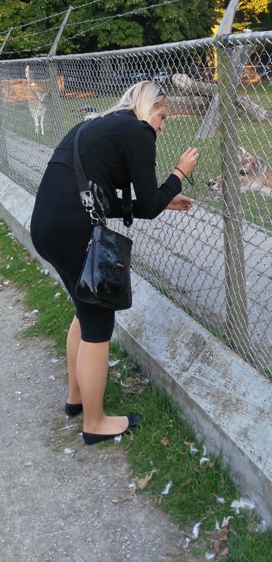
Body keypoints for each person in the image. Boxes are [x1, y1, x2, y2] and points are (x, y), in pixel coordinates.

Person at [30, 81, 198, 445]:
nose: (161, 126)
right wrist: (180, 172)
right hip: (70, 228)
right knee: (97, 321)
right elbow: (149, 207)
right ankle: (95, 422)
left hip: (46, 225)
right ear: (147, 108)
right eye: (162, 116)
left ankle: (76, 399)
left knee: (82, 308)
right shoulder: (137, 131)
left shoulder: (96, 124)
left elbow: (116, 197)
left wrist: (165, 198)